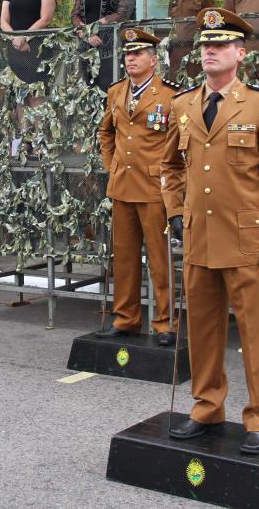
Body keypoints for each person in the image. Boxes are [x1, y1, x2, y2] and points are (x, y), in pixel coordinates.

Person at [161, 8, 259, 454]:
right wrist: (175, 210)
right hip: (199, 237)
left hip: (245, 241)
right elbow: (169, 167)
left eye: (219, 45)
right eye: (205, 45)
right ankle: (206, 407)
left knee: (255, 335)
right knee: (201, 330)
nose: (210, 51)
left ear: (241, 53)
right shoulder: (183, 105)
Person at [94, 28, 181, 346]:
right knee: (125, 257)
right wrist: (111, 165)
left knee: (160, 260)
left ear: (153, 60)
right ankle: (126, 318)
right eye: (128, 54)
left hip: (155, 188)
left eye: (138, 54)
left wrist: (171, 180)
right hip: (122, 186)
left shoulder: (171, 95)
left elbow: (180, 144)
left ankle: (164, 323)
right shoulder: (116, 92)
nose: (130, 58)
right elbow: (105, 132)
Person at [71, 0, 137, 90]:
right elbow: (75, 14)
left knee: (110, 92)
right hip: (86, 46)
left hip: (112, 49)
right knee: (88, 93)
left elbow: (124, 12)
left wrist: (99, 24)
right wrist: (87, 33)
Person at [1, 0, 56, 87]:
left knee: (37, 93)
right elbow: (3, 21)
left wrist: (25, 36)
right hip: (14, 48)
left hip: (37, 48)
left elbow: (46, 19)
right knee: (17, 95)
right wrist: (15, 38)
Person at [167, 0, 217, 80]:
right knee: (175, 88)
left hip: (195, 52)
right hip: (175, 52)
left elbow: (214, 25)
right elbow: (170, 26)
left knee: (195, 88)